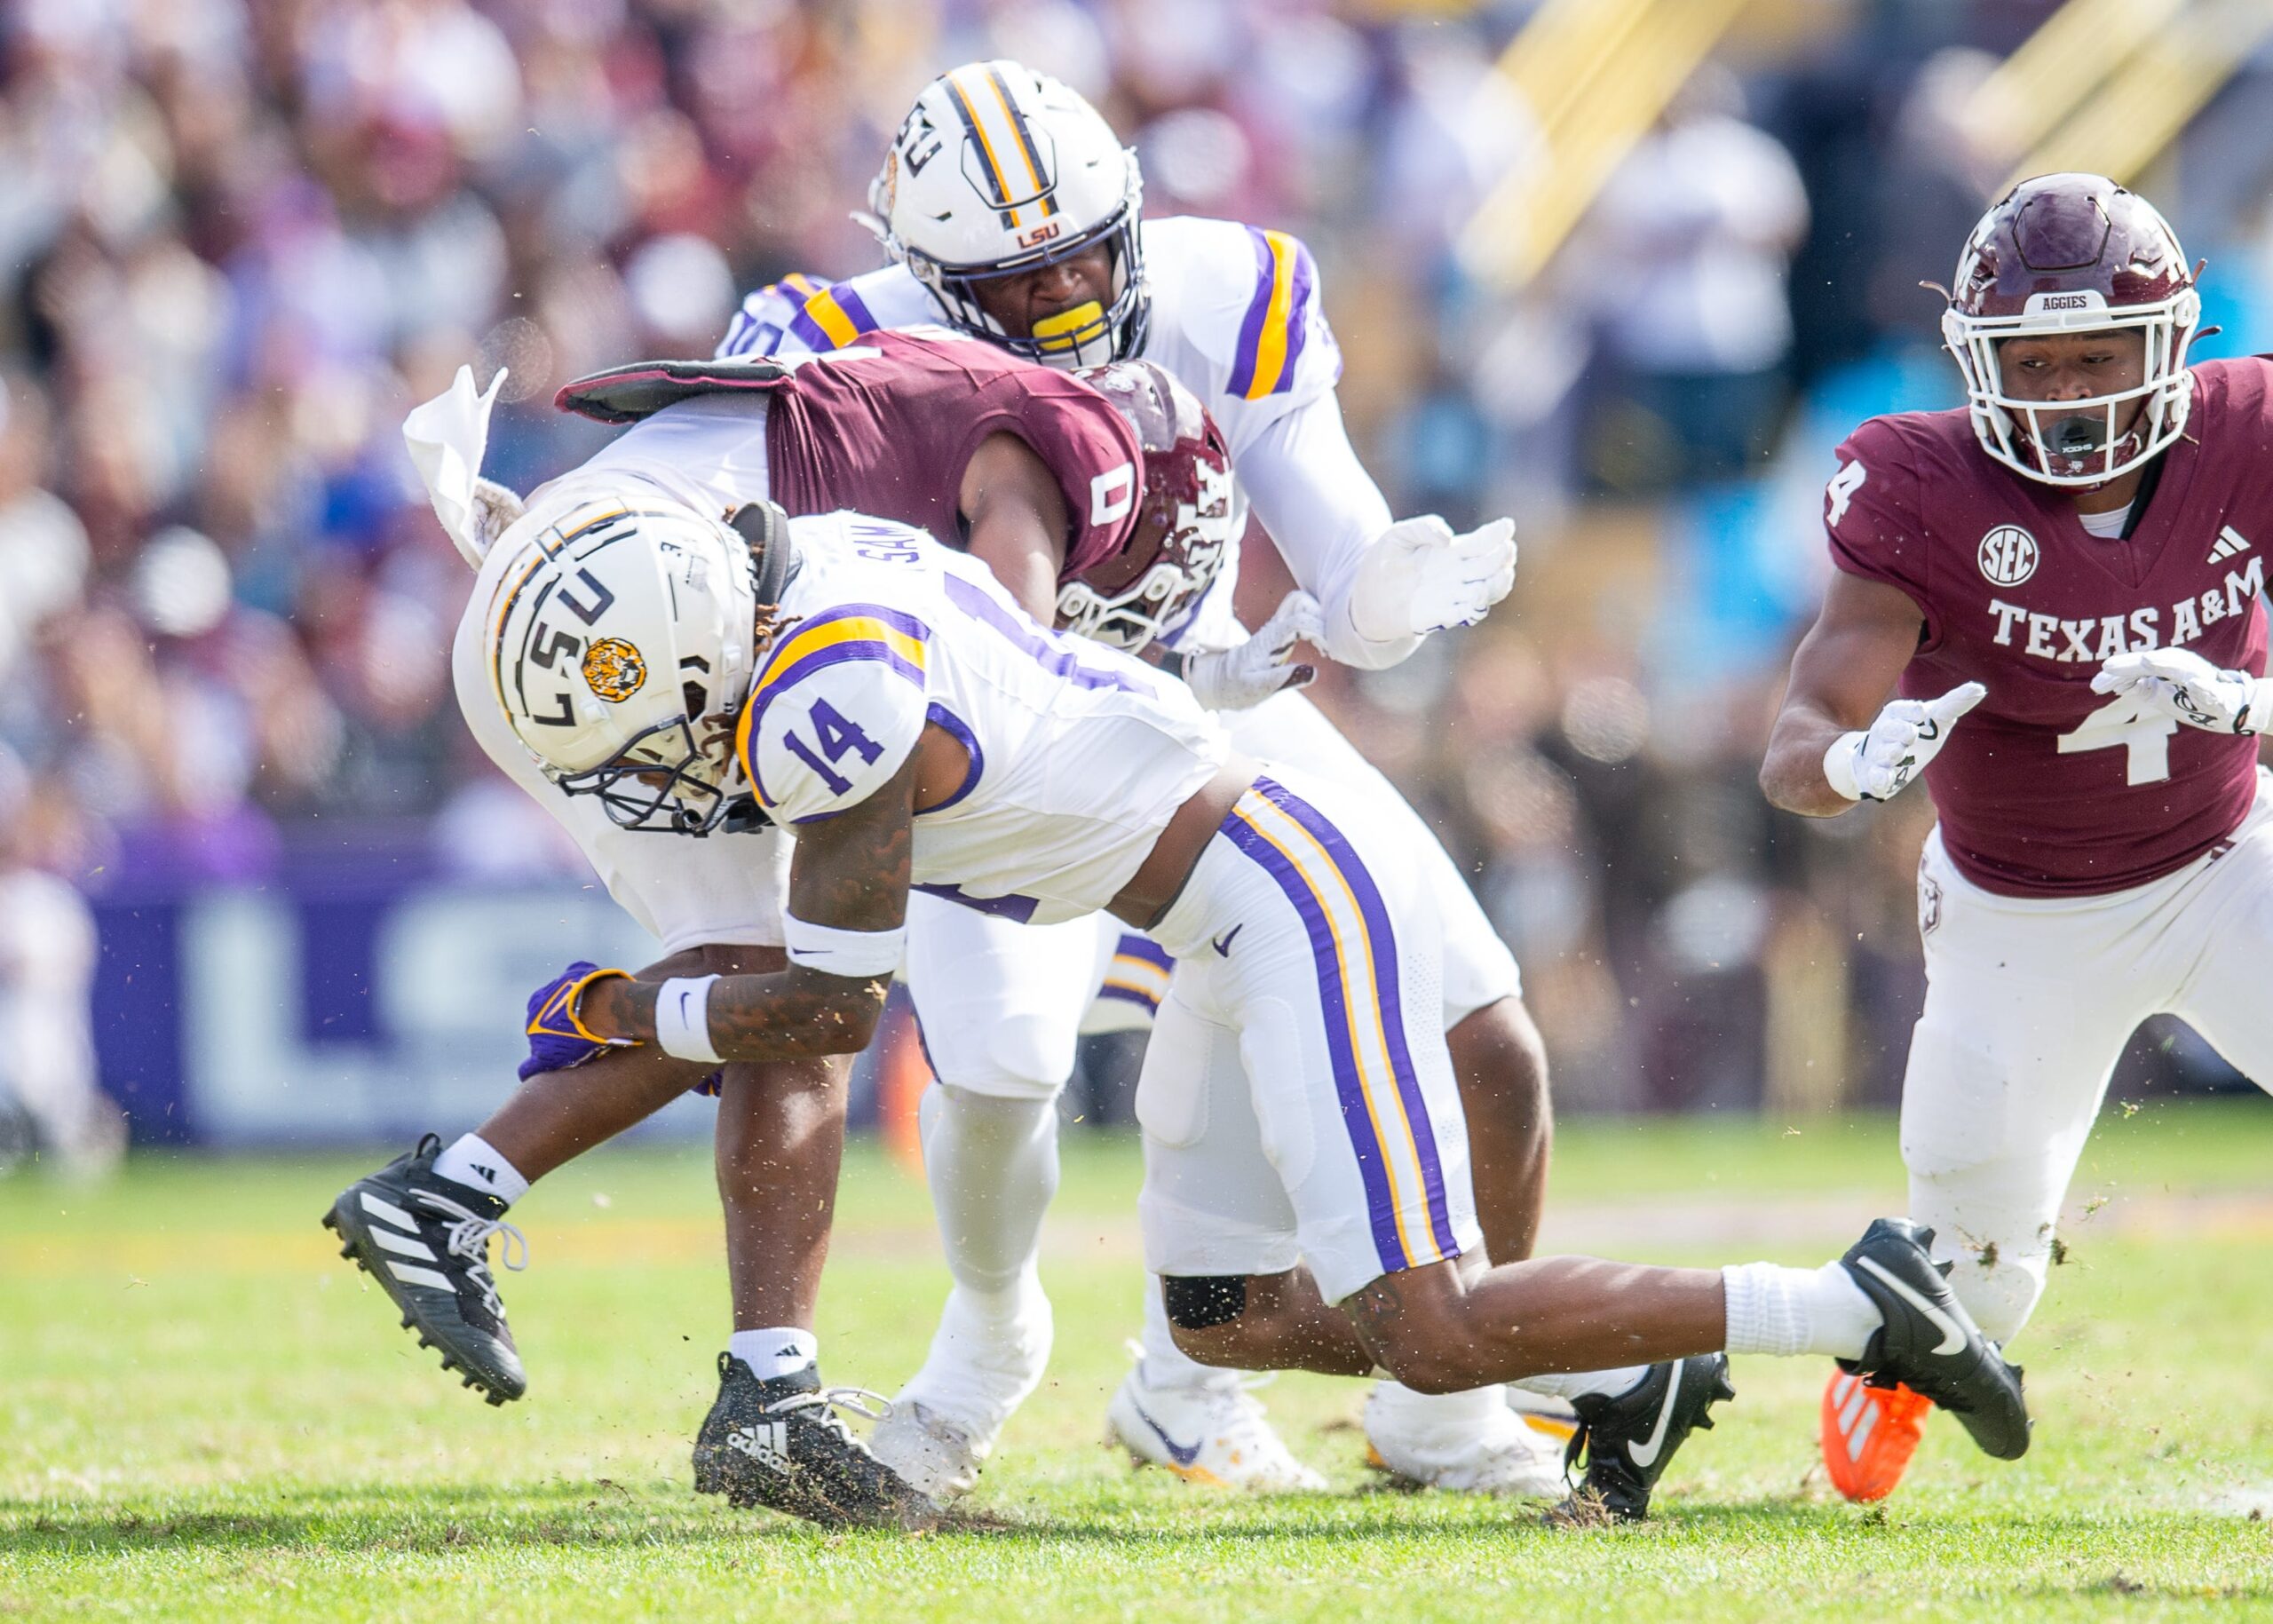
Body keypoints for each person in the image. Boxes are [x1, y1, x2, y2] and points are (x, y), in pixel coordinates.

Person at [492, 485, 2030, 1525]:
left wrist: (629, 1014)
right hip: (1217, 910)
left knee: (1429, 1328)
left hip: (1277, 889)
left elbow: (827, 1014)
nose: (653, 767)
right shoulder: (818, 556)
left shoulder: (830, 698)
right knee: (1219, 1319)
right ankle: (1624, 1365)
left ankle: (1851, 1300)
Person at [721, 58, 1556, 1500]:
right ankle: (992, 1334)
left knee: (1486, 1028)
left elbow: (1333, 539)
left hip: (1199, 691)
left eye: (1082, 266)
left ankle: (1415, 1409)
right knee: (1002, 1073)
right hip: (992, 746)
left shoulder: (1227, 286)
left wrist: (1379, 593)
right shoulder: (836, 346)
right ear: (925, 273)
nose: (1062, 310)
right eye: (1016, 287)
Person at [329, 328, 1230, 1531]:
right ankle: (487, 1214)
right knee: (800, 983)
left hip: (567, 594)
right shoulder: (1039, 459)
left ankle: (733, 1363)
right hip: (642, 627)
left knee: (785, 976)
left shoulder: (922, 359)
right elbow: (1010, 680)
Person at [1760, 172, 2273, 1501]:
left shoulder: (2254, 430)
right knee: (1976, 1278)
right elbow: (1797, 733)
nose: (2072, 393)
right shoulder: (1917, 480)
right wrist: (1852, 762)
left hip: (2229, 857)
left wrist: (2255, 705)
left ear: (2173, 340)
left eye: (2100, 353)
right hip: (2018, 914)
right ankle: (1890, 1370)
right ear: (1977, 365)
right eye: (2033, 363)